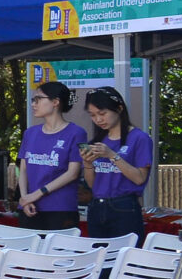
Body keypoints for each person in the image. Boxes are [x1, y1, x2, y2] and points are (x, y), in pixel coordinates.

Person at [79, 87, 153, 241]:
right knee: (100, 258)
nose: (98, 120)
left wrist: (112, 155)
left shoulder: (139, 138)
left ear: (119, 109)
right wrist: (87, 163)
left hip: (124, 206)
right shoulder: (97, 141)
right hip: (96, 206)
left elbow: (139, 178)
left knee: (125, 257)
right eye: (93, 115)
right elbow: (92, 184)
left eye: (102, 113)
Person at [14, 81, 87, 230]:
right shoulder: (30, 133)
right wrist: (25, 198)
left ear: (55, 102)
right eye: (33, 100)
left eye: (38, 99)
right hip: (29, 207)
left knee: (59, 252)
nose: (34, 104)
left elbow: (73, 173)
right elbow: (23, 169)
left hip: (60, 207)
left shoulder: (76, 133)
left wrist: (38, 194)